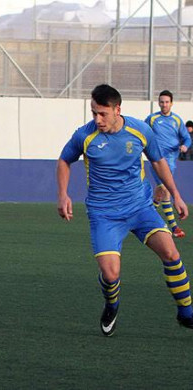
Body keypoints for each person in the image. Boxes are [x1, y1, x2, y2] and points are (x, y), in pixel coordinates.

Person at [57, 84, 193, 337]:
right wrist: (63, 194)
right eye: (93, 113)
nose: (97, 119)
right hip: (104, 214)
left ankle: (186, 312)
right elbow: (65, 160)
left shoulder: (140, 130)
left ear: (117, 110)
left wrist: (176, 195)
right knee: (111, 274)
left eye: (102, 114)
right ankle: (112, 305)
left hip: (140, 208)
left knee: (172, 254)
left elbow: (158, 161)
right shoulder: (84, 136)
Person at [145, 90, 191, 238]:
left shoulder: (177, 120)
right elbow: (142, 133)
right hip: (157, 160)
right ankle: (174, 227)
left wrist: (185, 146)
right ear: (158, 103)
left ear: (171, 103)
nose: (164, 104)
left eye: (167, 102)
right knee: (164, 189)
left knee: (161, 192)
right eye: (162, 102)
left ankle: (147, 214)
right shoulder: (152, 119)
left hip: (172, 161)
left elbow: (187, 138)